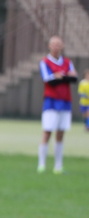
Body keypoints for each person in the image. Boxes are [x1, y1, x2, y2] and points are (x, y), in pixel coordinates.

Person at [38, 36, 78, 174]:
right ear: (49, 46)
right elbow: (48, 80)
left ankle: (58, 166)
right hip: (51, 101)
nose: (56, 47)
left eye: (58, 44)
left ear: (62, 46)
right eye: (53, 44)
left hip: (65, 101)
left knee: (60, 133)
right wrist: (62, 76)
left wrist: (60, 75)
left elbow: (73, 78)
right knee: (47, 131)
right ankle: (41, 164)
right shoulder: (45, 62)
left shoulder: (67, 62)